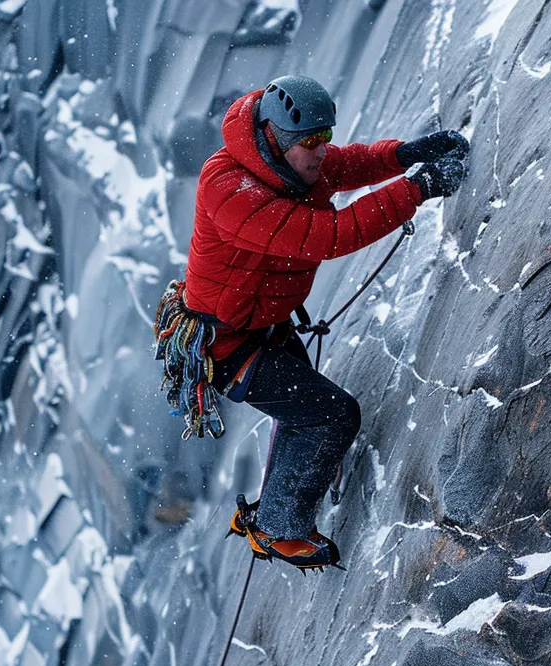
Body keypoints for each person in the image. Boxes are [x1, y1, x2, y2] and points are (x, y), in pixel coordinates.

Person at [153, 75, 469, 570]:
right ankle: (277, 528)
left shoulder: (289, 162)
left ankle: (288, 494)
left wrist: (406, 154)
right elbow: (328, 235)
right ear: (275, 139)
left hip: (260, 324)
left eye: (324, 136)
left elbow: (345, 165)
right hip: (225, 343)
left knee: (305, 413)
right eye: (310, 142)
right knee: (330, 415)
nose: (322, 151)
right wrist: (418, 187)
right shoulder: (228, 189)